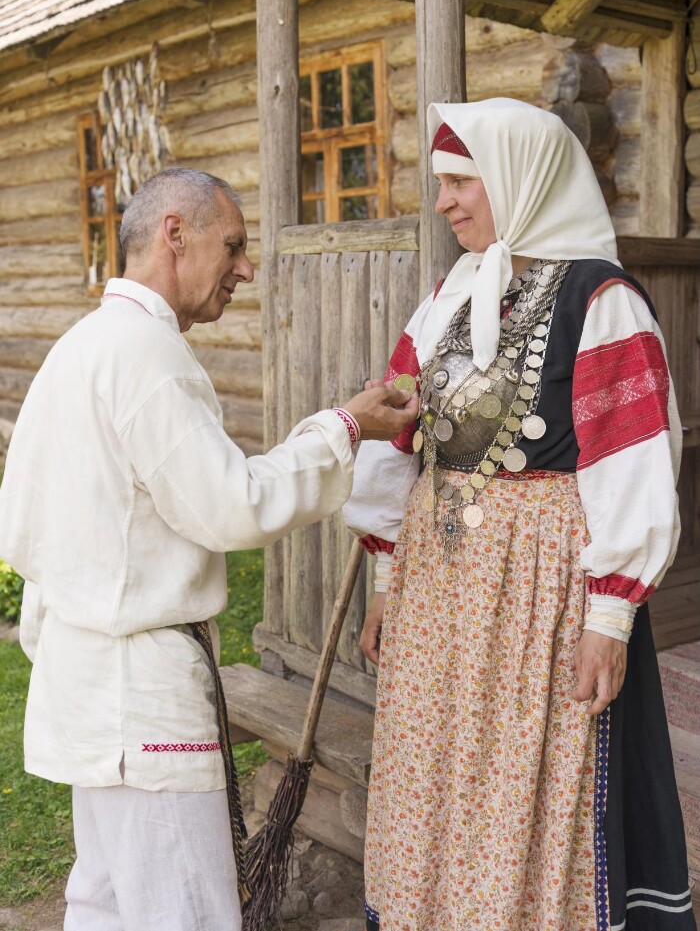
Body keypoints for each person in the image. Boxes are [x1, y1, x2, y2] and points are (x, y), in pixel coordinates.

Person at [0, 167, 418, 931]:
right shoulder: (144, 354)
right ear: (173, 234)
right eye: (232, 245)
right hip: (142, 698)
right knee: (184, 915)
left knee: (108, 907)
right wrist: (346, 427)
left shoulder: (81, 347)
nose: (245, 268)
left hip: (91, 688)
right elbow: (231, 504)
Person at [343, 99, 696, 931]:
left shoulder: (600, 300)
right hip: (439, 592)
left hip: (534, 597)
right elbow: (403, 438)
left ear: (518, 177)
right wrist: (389, 574)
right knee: (437, 768)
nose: (445, 203)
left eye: (462, 181)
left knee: (519, 773)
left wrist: (608, 615)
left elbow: (636, 461)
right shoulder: (450, 297)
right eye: (442, 184)